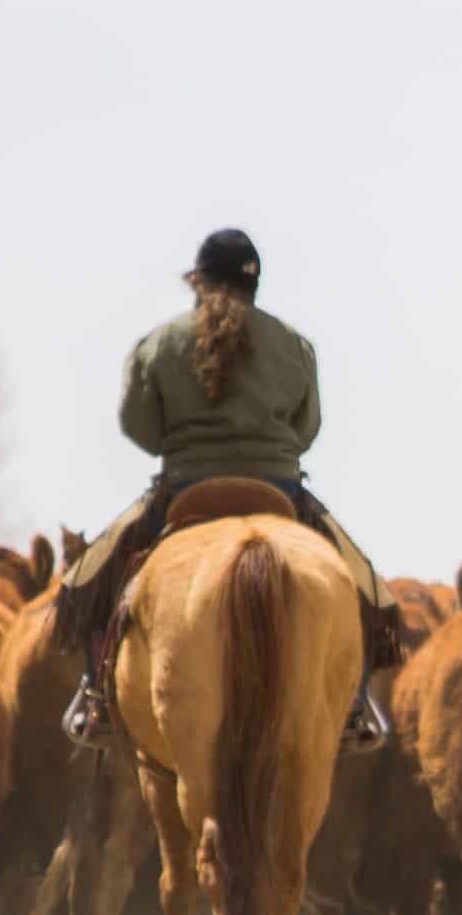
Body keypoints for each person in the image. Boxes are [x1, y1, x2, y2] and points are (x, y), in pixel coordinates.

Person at [52, 228, 401, 750]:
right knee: (373, 594)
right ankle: (354, 702)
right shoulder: (294, 347)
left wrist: (185, 444)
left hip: (185, 487)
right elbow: (307, 429)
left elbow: (139, 426)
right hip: (280, 487)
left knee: (83, 585)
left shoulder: (159, 344)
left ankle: (97, 696)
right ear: (255, 287)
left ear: (197, 282)